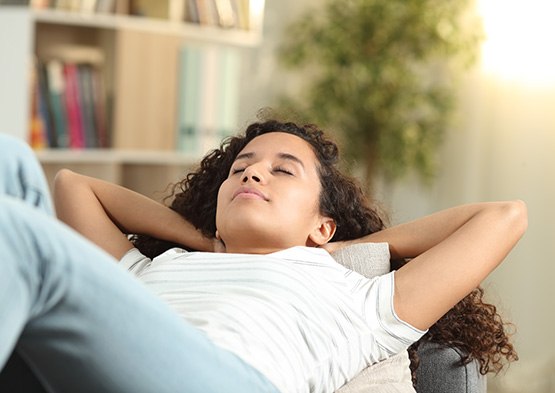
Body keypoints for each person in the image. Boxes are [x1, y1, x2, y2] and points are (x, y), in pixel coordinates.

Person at [0, 118, 526, 393]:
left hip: (230, 381)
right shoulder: (163, 267)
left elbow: (504, 216)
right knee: (10, 161)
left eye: (283, 170)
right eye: (242, 168)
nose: (253, 172)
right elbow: (73, 185)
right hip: (110, 364)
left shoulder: (359, 300)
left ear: (322, 223)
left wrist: (337, 247)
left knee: (22, 236)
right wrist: (205, 242)